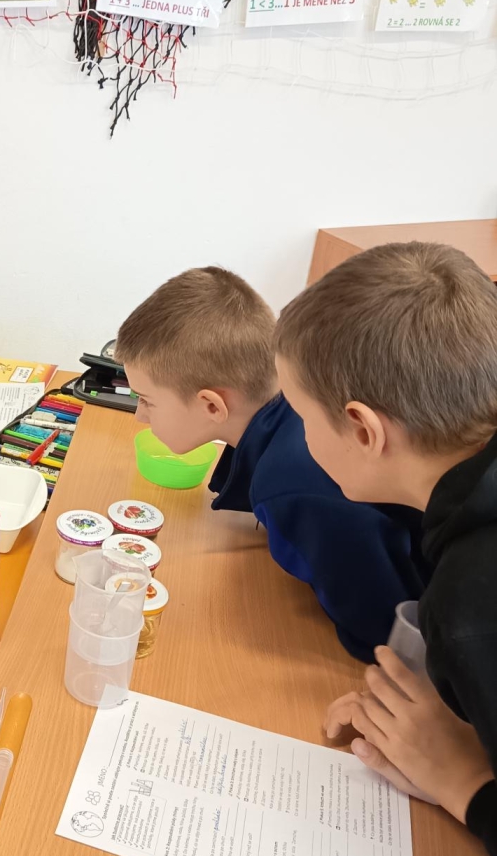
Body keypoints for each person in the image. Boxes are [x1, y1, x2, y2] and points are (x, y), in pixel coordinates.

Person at [273, 242, 497, 856]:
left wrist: (466, 783)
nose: (300, 437)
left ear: (363, 429)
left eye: (301, 417)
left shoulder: (473, 600)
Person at [114, 266, 426, 662]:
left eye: (147, 400)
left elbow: (384, 637)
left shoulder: (291, 485)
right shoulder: (295, 412)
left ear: (212, 406)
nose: (140, 416)